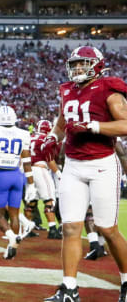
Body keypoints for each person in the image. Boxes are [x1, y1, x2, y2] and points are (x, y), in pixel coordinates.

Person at [42, 46, 127, 302]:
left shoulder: (108, 88)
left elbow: (125, 124)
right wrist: (51, 138)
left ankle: (126, 281)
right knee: (70, 227)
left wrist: (93, 125)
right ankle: (69, 288)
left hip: (102, 164)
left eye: (83, 64)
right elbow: (61, 123)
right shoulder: (67, 90)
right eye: (75, 64)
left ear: (97, 65)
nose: (78, 69)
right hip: (73, 165)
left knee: (107, 228)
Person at [0, 105, 35, 260]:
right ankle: (13, 248)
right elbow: (26, 161)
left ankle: (12, 238)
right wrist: (31, 183)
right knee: (14, 214)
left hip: (1, 175)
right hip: (17, 176)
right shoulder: (23, 133)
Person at [30, 119, 62, 240]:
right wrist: (59, 174)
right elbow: (50, 159)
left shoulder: (29, 138)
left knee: (31, 201)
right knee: (49, 199)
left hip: (28, 170)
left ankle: (27, 228)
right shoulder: (45, 139)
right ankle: (53, 229)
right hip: (40, 169)